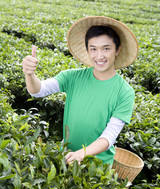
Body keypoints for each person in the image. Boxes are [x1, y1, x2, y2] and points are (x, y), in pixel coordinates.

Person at [22, 16, 139, 166]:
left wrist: (82, 153)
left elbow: (109, 136)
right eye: (93, 49)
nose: (99, 56)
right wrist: (29, 74)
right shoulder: (73, 77)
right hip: (66, 157)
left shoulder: (125, 92)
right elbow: (38, 91)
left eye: (106, 48)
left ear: (117, 49)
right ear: (88, 50)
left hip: (98, 168)